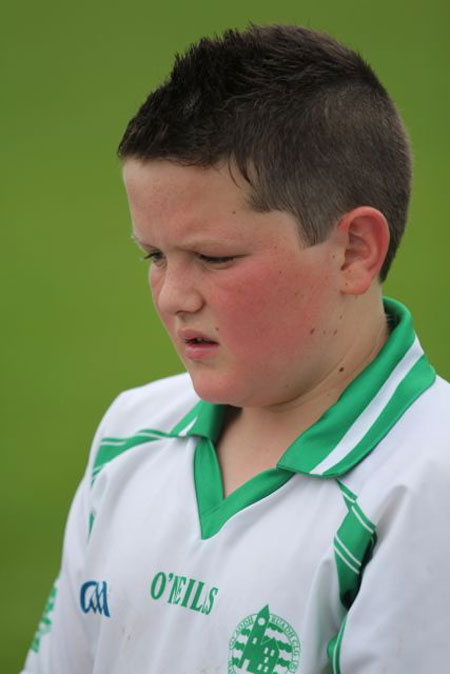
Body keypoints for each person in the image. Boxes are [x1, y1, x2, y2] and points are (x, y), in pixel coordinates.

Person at [22, 24, 450, 674]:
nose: (172, 296)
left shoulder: (424, 486)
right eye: (154, 255)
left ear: (355, 251)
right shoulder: (132, 435)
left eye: (213, 258)